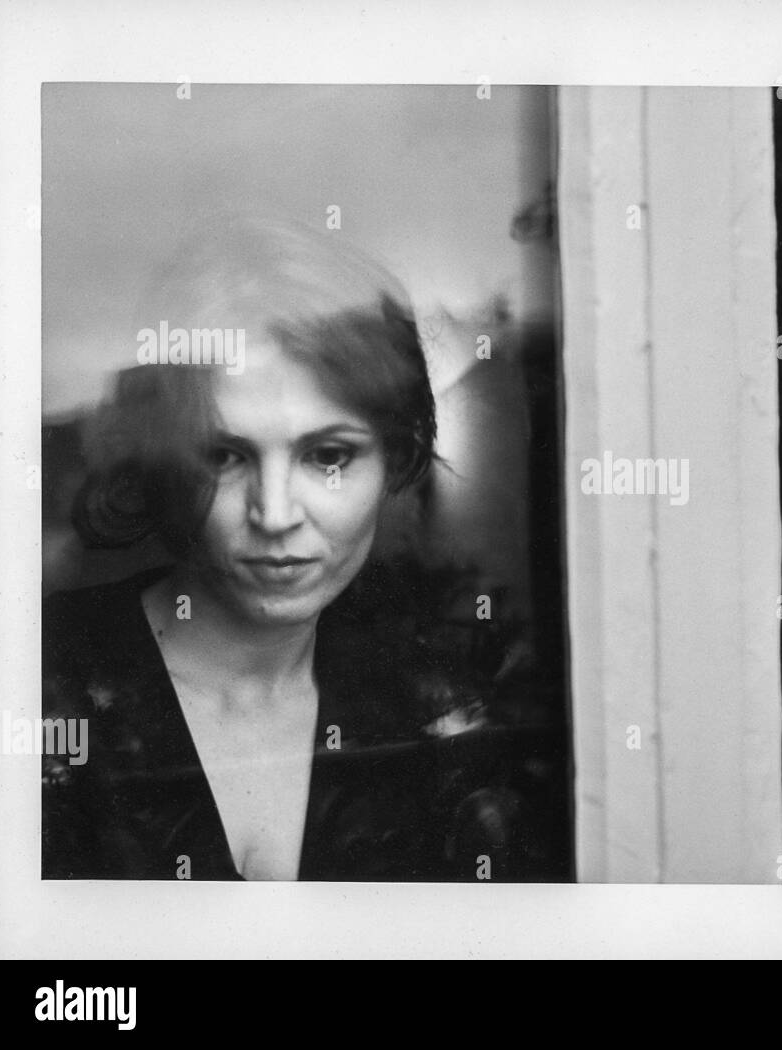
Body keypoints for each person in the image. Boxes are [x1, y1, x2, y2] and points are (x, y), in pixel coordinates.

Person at [42, 216, 506, 881]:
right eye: (227, 455)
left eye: (328, 456)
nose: (276, 514)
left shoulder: (431, 710)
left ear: (394, 461)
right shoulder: (36, 680)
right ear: (171, 464)